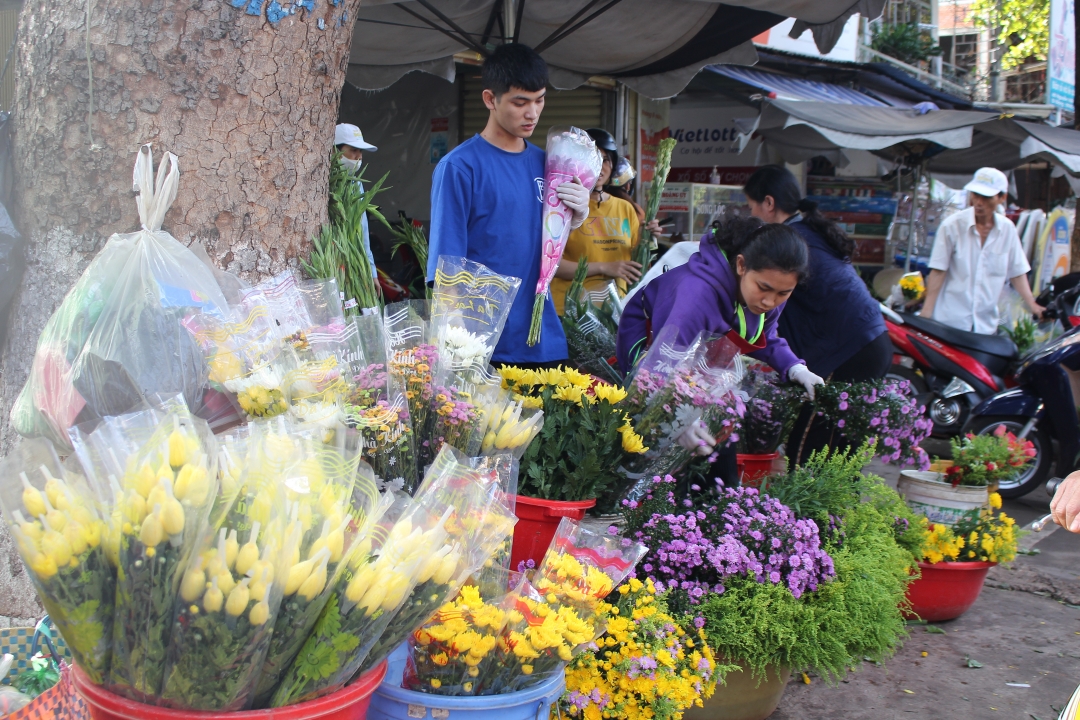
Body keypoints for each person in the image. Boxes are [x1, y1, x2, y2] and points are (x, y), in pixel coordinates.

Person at [427, 44, 590, 368]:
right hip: (486, 347)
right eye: (520, 102)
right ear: (490, 99)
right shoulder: (460, 167)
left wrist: (575, 217)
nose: (532, 113)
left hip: (545, 342)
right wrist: (456, 352)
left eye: (540, 100)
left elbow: (547, 248)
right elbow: (448, 268)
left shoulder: (550, 165)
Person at [616, 215, 824, 469]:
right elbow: (659, 367)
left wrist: (795, 368)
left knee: (717, 437)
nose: (770, 302)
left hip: (700, 360)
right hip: (653, 345)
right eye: (763, 288)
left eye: (783, 293)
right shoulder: (696, 293)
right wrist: (675, 415)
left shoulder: (767, 292)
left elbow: (765, 337)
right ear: (741, 265)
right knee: (655, 438)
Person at [743, 165, 891, 461]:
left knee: (810, 449)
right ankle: (829, 507)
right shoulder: (805, 232)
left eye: (751, 208)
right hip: (868, 342)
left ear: (768, 204)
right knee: (835, 451)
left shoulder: (789, 244)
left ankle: (811, 509)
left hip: (851, 350)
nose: (751, 216)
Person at [549, 129, 661, 315]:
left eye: (606, 159)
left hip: (616, 311)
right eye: (592, 157)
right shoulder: (561, 205)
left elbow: (635, 264)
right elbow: (552, 265)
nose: (600, 165)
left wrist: (649, 239)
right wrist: (605, 267)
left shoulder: (625, 208)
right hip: (570, 312)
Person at [920, 167, 1044, 332]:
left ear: (1002, 198)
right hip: (950, 322)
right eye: (975, 195)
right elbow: (938, 271)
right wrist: (925, 315)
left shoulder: (1007, 229)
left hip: (985, 326)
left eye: (986, 197)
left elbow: (1017, 272)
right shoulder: (952, 226)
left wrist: (1033, 305)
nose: (978, 202)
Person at [334, 123, 381, 292]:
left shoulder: (355, 183)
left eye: (361, 151)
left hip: (353, 267)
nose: (359, 156)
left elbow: (362, 230)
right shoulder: (322, 183)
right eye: (354, 150)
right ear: (334, 150)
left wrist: (371, 271)